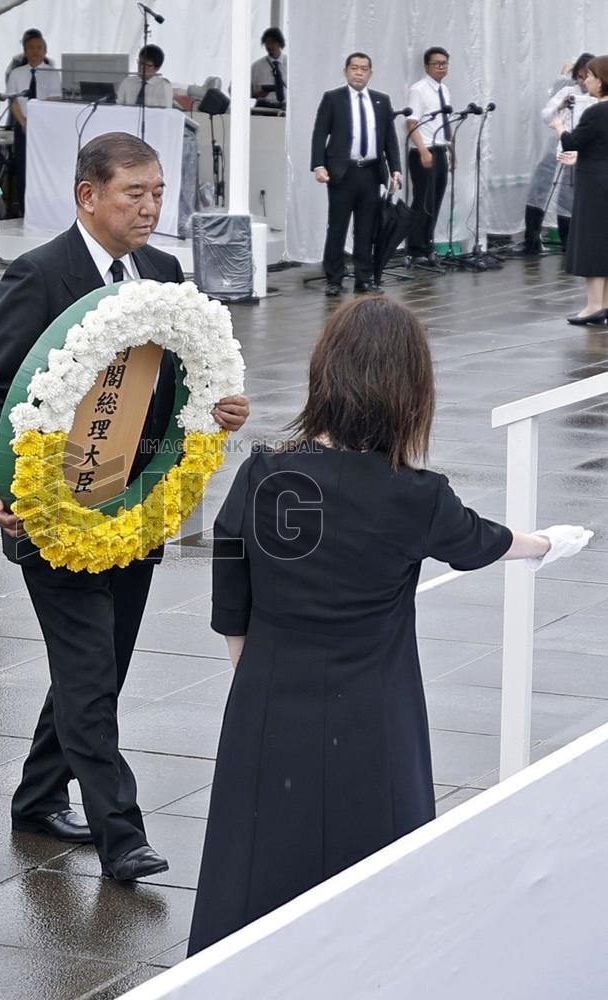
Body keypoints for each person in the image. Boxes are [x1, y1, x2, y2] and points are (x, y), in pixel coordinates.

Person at [187, 296, 593, 955]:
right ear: (406, 391)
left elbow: (230, 605)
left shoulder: (261, 474)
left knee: (254, 877)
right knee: (374, 891)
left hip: (267, 704)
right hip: (373, 717)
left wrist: (260, 682)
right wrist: (545, 542)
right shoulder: (412, 494)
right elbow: (480, 541)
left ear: (325, 376)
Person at [0, 132, 250, 881]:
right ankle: (122, 835)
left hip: (133, 507)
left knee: (99, 670)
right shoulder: (37, 274)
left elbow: (176, 384)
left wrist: (215, 412)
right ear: (88, 195)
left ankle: (35, 797)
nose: (151, 207)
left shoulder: (160, 273)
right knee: (90, 676)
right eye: (136, 192)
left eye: (158, 192)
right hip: (47, 513)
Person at [311, 52, 402, 296]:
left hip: (371, 172)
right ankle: (334, 278)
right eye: (354, 68)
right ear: (346, 71)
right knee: (337, 226)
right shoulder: (333, 98)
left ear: (370, 73)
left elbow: (389, 139)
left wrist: (395, 169)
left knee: (366, 228)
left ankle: (364, 278)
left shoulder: (381, 101)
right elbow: (320, 133)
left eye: (364, 69)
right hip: (343, 172)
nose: (359, 73)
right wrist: (318, 165)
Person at [508, 54, 596, 258]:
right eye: (579, 77)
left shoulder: (597, 98)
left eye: (587, 76)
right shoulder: (567, 91)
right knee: (539, 188)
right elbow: (546, 115)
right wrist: (560, 106)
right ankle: (531, 242)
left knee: (568, 194)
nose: (583, 81)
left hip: (581, 150)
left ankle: (569, 244)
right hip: (558, 144)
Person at [551, 55, 608, 325]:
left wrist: (560, 127)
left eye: (592, 76)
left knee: (592, 242)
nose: (587, 80)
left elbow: (572, 142)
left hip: (595, 185)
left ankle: (594, 305)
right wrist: (582, 158)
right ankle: (604, 304)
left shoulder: (596, 112)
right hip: (601, 176)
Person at [405, 46, 453, 268]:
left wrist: (452, 150)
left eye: (444, 63)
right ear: (426, 66)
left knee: (436, 200)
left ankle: (428, 245)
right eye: (437, 63)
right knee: (423, 201)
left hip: (441, 149)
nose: (441, 67)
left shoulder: (444, 90)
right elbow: (411, 123)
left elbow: (445, 123)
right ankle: (415, 249)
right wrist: (423, 150)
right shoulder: (419, 89)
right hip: (424, 151)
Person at [6, 31, 61, 209]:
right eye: (30, 48)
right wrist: (23, 122)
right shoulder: (16, 73)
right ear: (25, 51)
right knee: (23, 168)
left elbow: (54, 100)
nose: (35, 51)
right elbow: (13, 100)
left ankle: (43, 206)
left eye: (39, 48)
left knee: (43, 169)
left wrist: (38, 123)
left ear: (45, 51)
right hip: (23, 127)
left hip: (44, 129)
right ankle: (23, 207)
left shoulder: (53, 73)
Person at [251, 27, 287, 110]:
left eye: (272, 42)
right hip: (263, 108)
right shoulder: (257, 66)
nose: (269, 46)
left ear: (279, 43)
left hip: (284, 108)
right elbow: (242, 91)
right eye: (267, 43)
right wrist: (256, 94)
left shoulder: (289, 65)